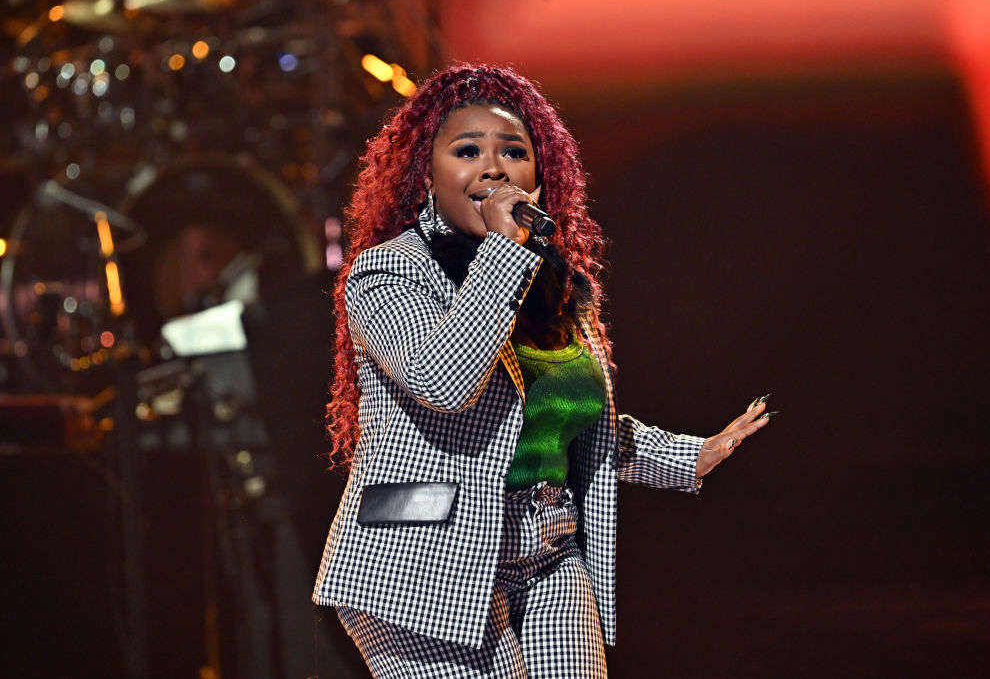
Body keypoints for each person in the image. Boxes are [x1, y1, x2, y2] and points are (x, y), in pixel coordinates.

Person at [312, 63, 777, 678]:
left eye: (514, 153)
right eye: (467, 151)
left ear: (538, 178)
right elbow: (443, 380)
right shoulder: (389, 272)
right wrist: (503, 254)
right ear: (426, 173)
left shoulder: (550, 285)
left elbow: (565, 420)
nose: (495, 169)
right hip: (422, 557)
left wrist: (688, 455)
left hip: (547, 547)